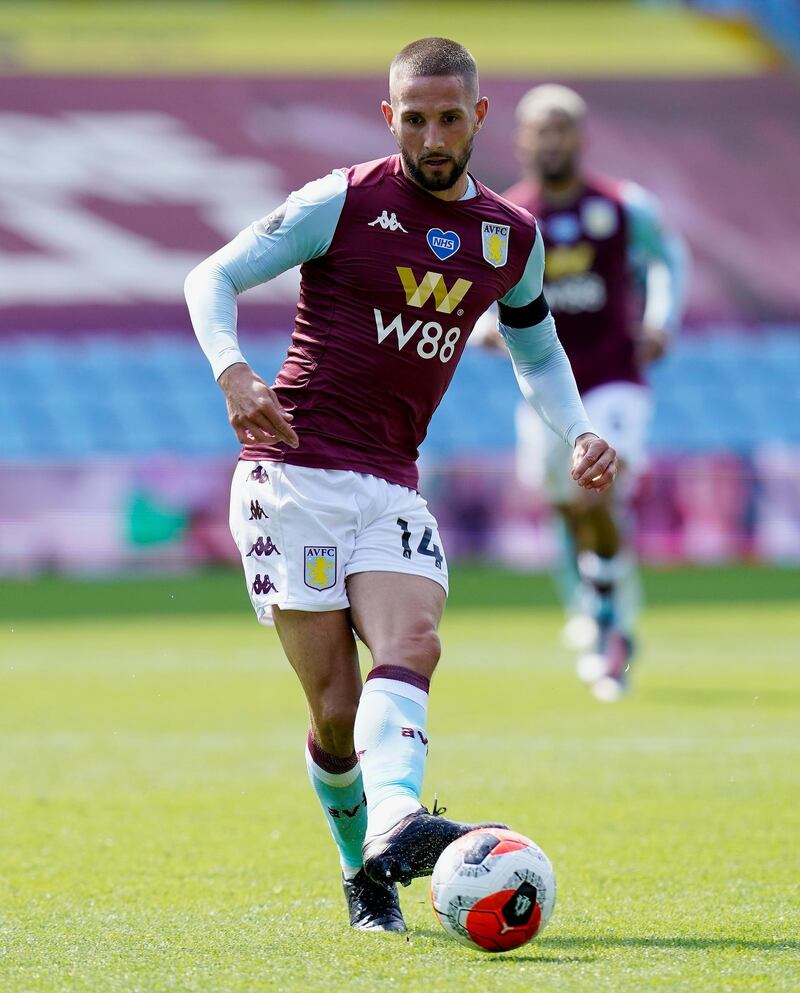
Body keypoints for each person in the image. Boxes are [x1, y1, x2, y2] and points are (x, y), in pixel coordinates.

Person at [185, 40, 617, 934]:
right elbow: (211, 275)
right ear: (390, 118)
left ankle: (396, 822)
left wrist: (577, 428)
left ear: (478, 118)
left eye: (448, 117)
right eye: (413, 118)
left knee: (413, 638)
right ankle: (363, 871)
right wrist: (233, 373)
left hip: (390, 481)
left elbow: (535, 346)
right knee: (335, 711)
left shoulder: (511, 236)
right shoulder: (340, 201)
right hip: (291, 474)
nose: (431, 134)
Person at [474, 84, 687, 702]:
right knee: (569, 506)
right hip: (547, 392)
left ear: (581, 137)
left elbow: (670, 256)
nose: (552, 140)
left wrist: (661, 321)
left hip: (616, 377)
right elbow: (477, 296)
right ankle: (600, 604)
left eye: (562, 128)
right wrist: (487, 329)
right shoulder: (509, 217)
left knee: (598, 492)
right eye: (541, 130)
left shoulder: (622, 207)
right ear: (520, 141)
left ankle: (608, 627)